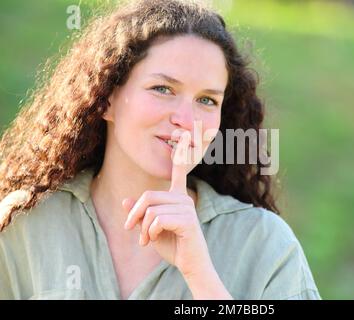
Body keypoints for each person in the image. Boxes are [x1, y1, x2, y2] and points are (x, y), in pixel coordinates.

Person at [0, 0, 320, 300]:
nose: (185, 120)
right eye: (163, 89)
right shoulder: (26, 224)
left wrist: (199, 274)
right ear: (106, 98)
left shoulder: (266, 245)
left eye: (207, 100)